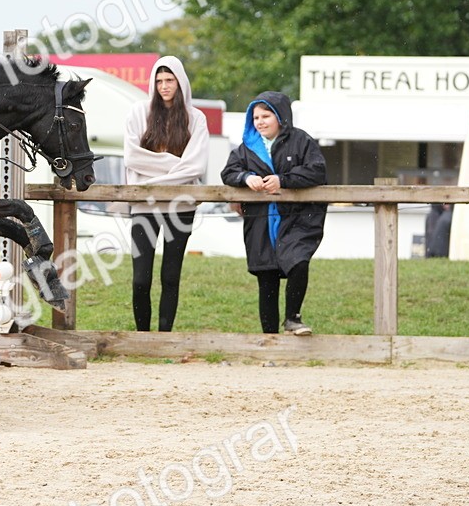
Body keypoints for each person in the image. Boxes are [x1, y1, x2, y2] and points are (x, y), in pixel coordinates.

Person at [222, 91, 327, 336]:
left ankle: (293, 318)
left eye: (265, 115)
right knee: (266, 278)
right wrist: (246, 178)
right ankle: (270, 340)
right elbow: (228, 172)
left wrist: (284, 180)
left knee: (299, 263)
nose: (260, 121)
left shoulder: (302, 141)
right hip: (260, 223)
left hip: (297, 220)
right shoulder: (245, 149)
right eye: (255, 117)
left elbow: (317, 171)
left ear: (280, 116)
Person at [122, 56, 209, 332]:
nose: (164, 86)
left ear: (180, 82)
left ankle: (164, 336)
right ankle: (142, 335)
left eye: (169, 80)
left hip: (181, 204)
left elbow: (196, 165)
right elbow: (132, 157)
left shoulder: (196, 118)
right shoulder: (138, 112)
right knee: (140, 278)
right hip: (144, 203)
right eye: (159, 80)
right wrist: (175, 165)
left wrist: (159, 173)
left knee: (171, 275)